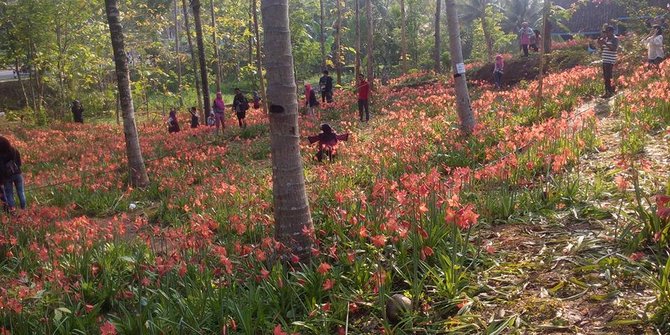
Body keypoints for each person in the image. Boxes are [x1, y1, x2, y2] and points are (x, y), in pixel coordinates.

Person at [0, 136, 26, 211]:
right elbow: (19, 163)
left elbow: (1, 169)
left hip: (7, 177)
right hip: (18, 174)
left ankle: (13, 211)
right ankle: (24, 210)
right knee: (21, 192)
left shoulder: (1, 156)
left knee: (9, 195)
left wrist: (1, 180)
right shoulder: (14, 150)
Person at [597, 24, 619, 98]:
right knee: (606, 77)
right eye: (605, 32)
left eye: (607, 32)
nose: (606, 34)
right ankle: (609, 91)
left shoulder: (615, 39)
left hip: (610, 61)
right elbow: (603, 49)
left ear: (612, 32)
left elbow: (613, 48)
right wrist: (600, 43)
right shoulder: (606, 39)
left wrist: (605, 43)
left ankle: (609, 92)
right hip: (605, 60)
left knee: (608, 77)